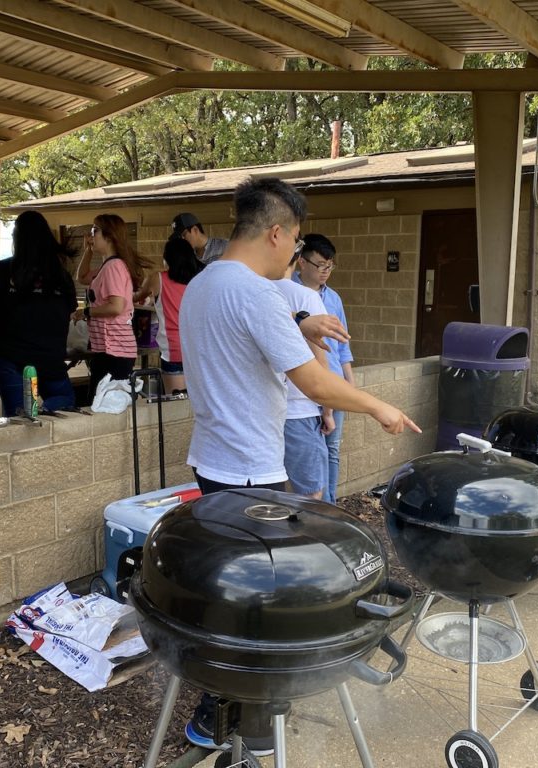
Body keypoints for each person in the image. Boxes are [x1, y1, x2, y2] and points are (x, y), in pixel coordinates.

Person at [179, 177, 419, 753]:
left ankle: (222, 711)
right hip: (250, 472)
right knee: (259, 602)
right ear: (276, 232)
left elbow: (242, 336)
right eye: (294, 242)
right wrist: (379, 406)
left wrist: (299, 324)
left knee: (230, 588)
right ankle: (236, 719)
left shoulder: (204, 283)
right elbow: (314, 383)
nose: (294, 253)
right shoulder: (257, 294)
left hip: (213, 460)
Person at [0, 210, 78, 416]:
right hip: (50, 356)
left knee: (17, 414)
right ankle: (43, 409)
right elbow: (68, 313)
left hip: (10, 354)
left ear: (17, 238)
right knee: (65, 401)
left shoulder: (0, 270)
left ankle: (29, 414)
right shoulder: (61, 275)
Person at [293, 233, 354, 503]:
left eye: (330, 266)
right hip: (306, 389)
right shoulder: (289, 293)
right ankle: (321, 508)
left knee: (332, 450)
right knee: (311, 455)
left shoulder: (334, 299)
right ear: (302, 262)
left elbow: (343, 347)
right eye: (320, 265)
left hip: (334, 385)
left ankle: (331, 506)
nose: (325, 271)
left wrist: (350, 385)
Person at [276, 257, 331, 498]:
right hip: (299, 409)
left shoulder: (249, 293)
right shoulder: (307, 297)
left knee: (266, 496)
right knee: (311, 496)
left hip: (259, 414)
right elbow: (320, 359)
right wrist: (328, 411)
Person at [78, 214, 150, 394]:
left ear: (109, 236)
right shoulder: (107, 266)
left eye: (95, 230)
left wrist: (87, 312)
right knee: (100, 399)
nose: (91, 235)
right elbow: (82, 277)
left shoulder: (114, 267)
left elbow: (116, 306)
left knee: (104, 402)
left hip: (115, 349)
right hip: (108, 349)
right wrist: (88, 251)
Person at [135, 237, 204, 396]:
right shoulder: (200, 280)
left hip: (173, 350)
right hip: (199, 351)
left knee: (175, 403)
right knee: (196, 404)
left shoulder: (157, 279)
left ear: (167, 259)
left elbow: (137, 297)